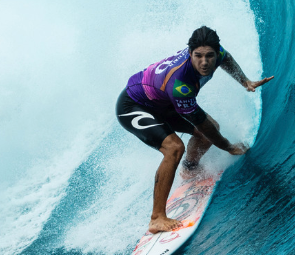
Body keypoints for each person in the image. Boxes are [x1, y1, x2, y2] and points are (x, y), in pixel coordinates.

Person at [116, 25, 274, 233]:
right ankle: (157, 218)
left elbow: (226, 58)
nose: (205, 62)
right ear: (190, 53)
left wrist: (245, 81)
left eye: (210, 56)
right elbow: (202, 123)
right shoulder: (181, 84)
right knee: (174, 147)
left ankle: (189, 169)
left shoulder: (216, 54)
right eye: (198, 56)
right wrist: (229, 147)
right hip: (134, 106)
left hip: (162, 102)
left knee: (207, 133)